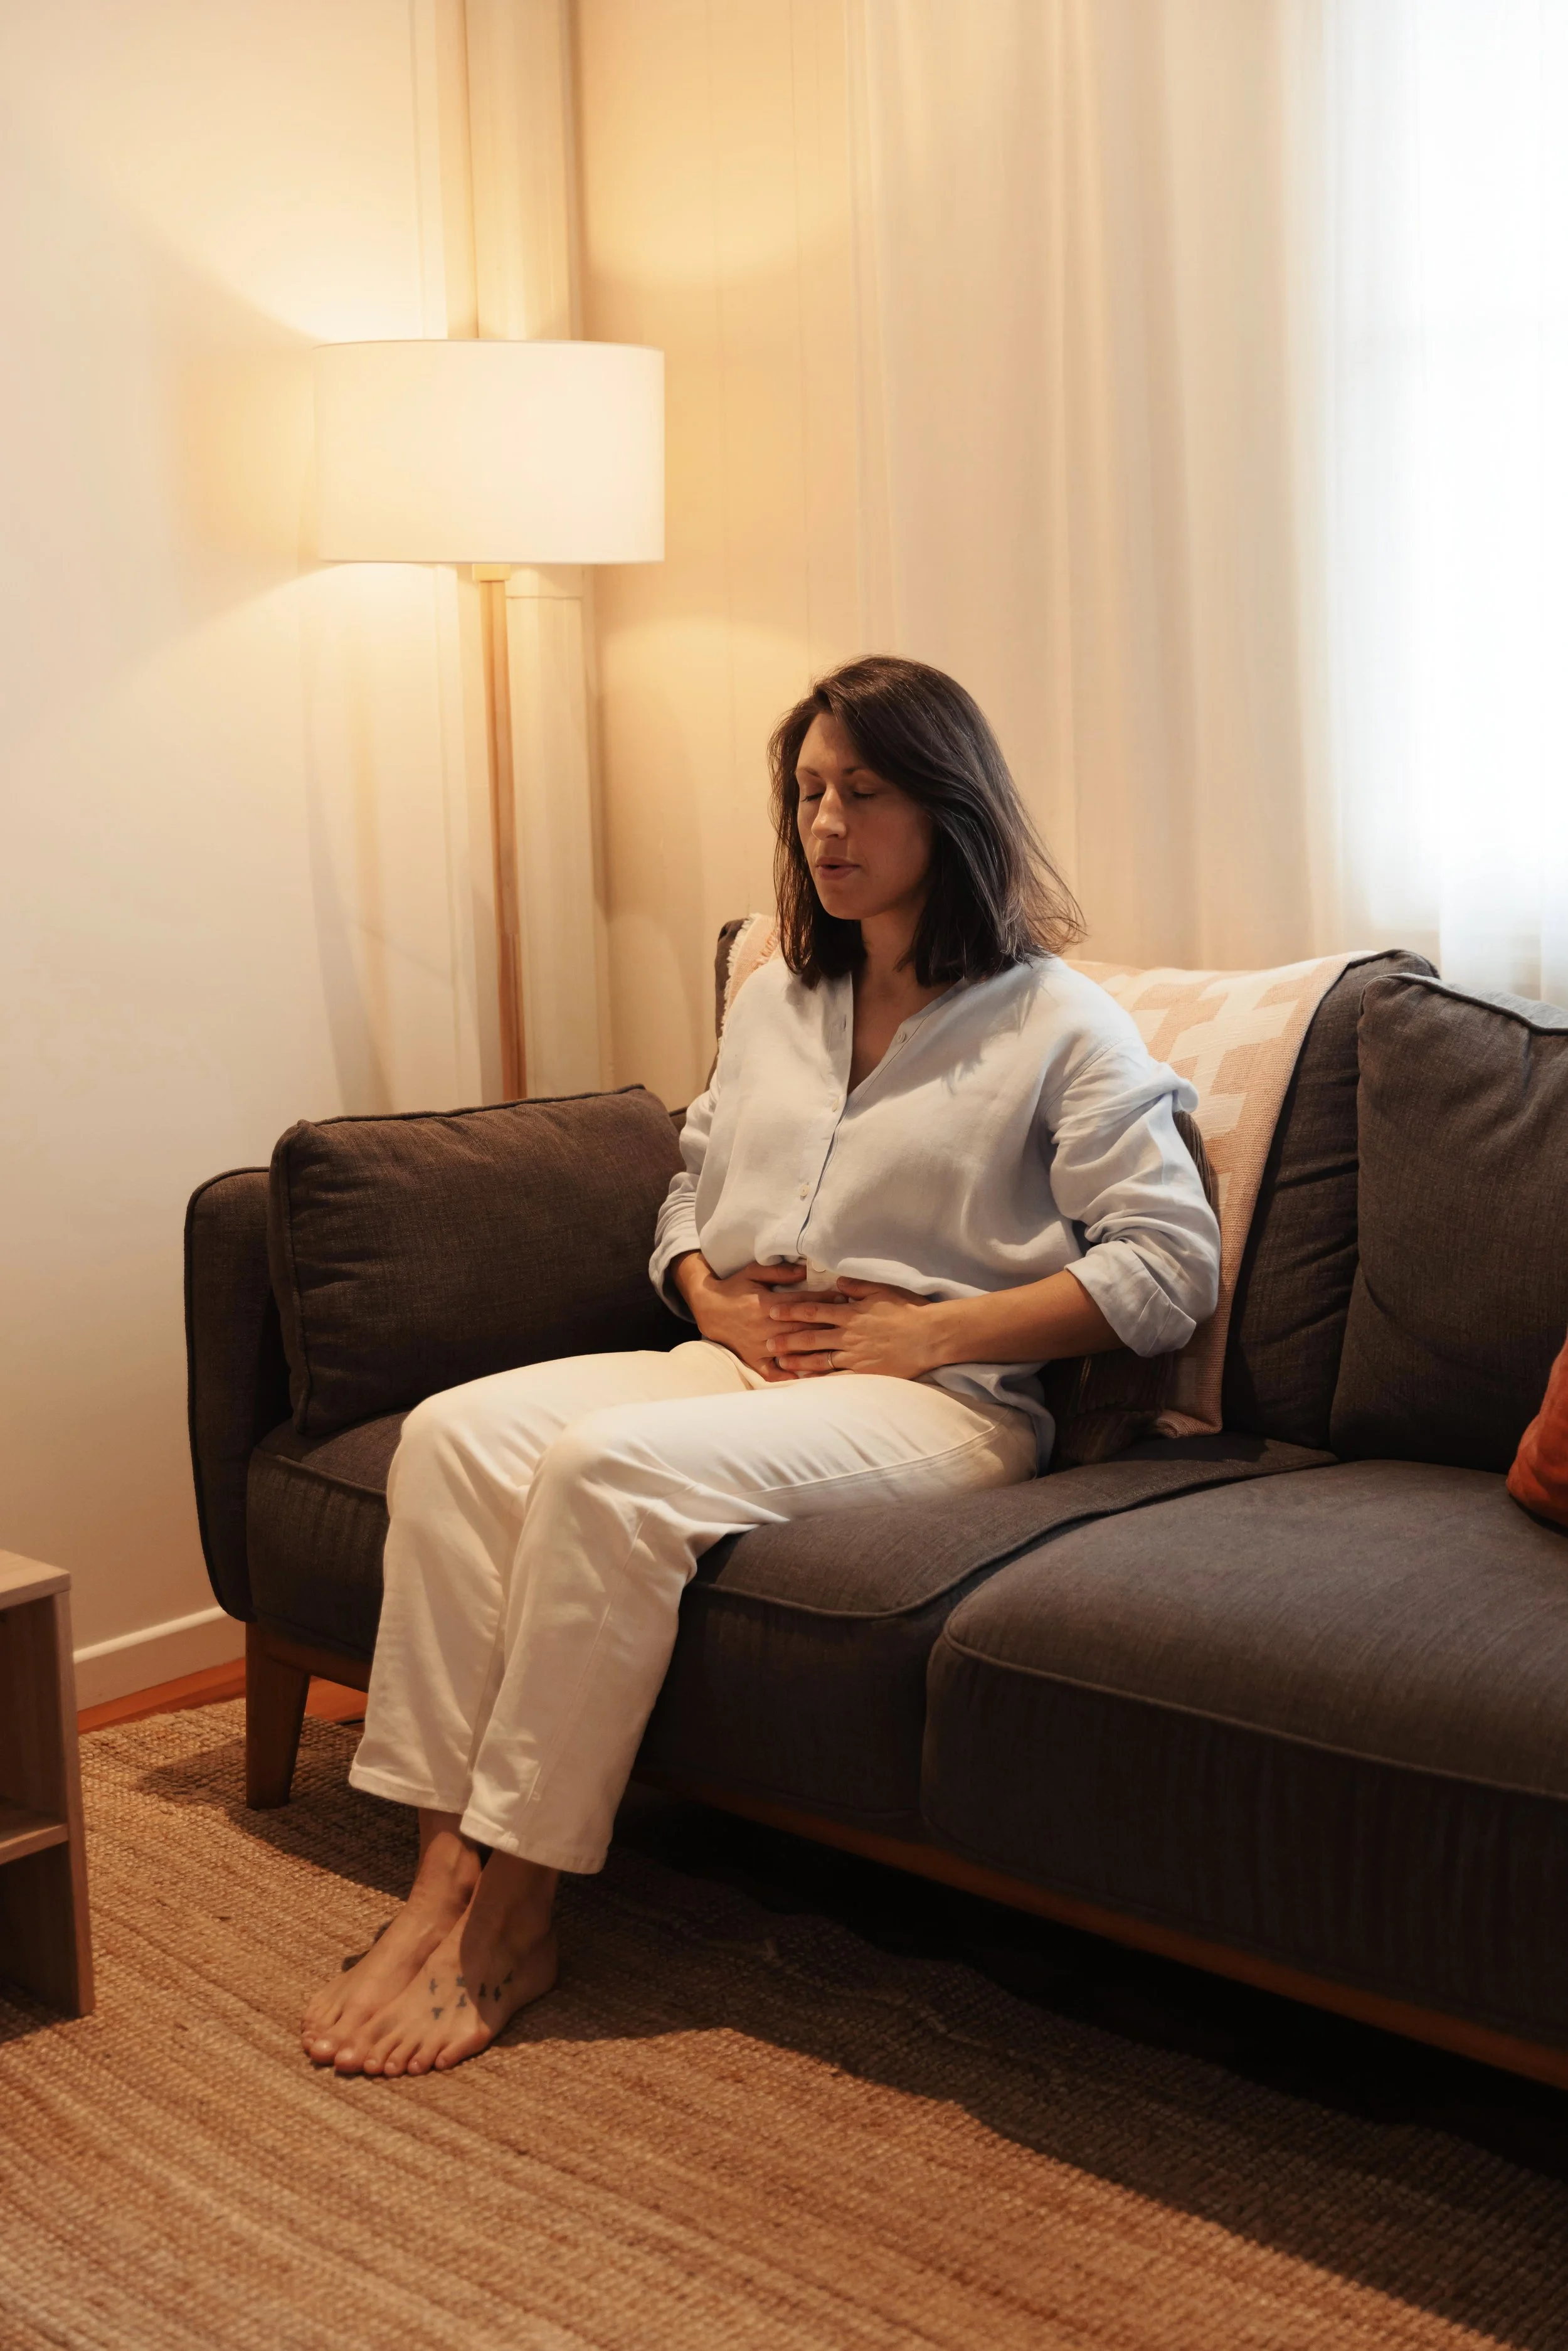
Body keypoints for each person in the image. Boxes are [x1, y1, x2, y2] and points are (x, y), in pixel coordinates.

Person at [300, 654, 1221, 2079]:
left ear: (947, 805)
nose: (826, 825)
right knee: (451, 1434)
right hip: (743, 1362)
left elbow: (1168, 1266)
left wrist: (936, 1330)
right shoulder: (775, 998)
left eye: (862, 790)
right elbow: (684, 1186)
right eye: (806, 794)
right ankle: (440, 1871)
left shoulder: (1056, 1023)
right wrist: (700, 1292)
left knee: (605, 1472)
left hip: (937, 1402)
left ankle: (521, 1910)